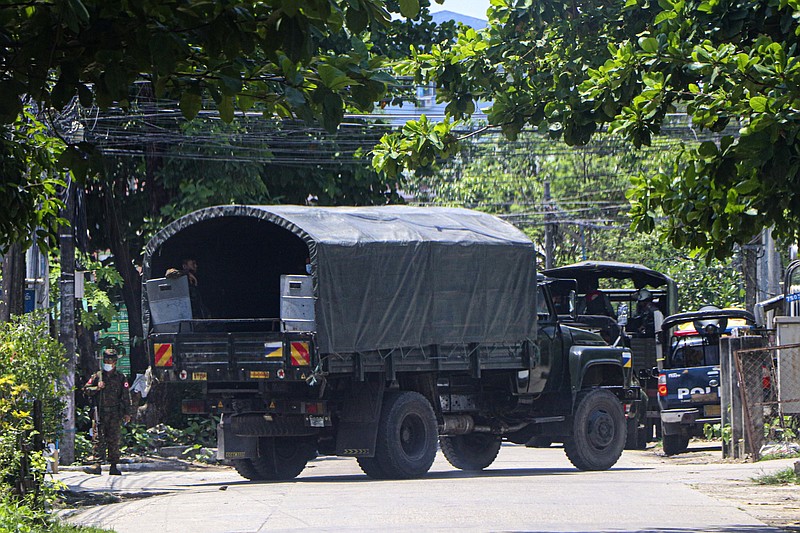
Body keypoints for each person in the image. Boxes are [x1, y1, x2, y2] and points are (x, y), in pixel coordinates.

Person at [83, 349, 132, 475]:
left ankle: (114, 465)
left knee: (114, 438)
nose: (108, 363)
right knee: (97, 438)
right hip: (100, 411)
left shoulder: (121, 377)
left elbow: (126, 396)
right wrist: (96, 388)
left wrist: (127, 413)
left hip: (115, 412)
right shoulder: (97, 376)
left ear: (115, 362)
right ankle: (97, 464)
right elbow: (86, 389)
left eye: (110, 360)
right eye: (106, 360)